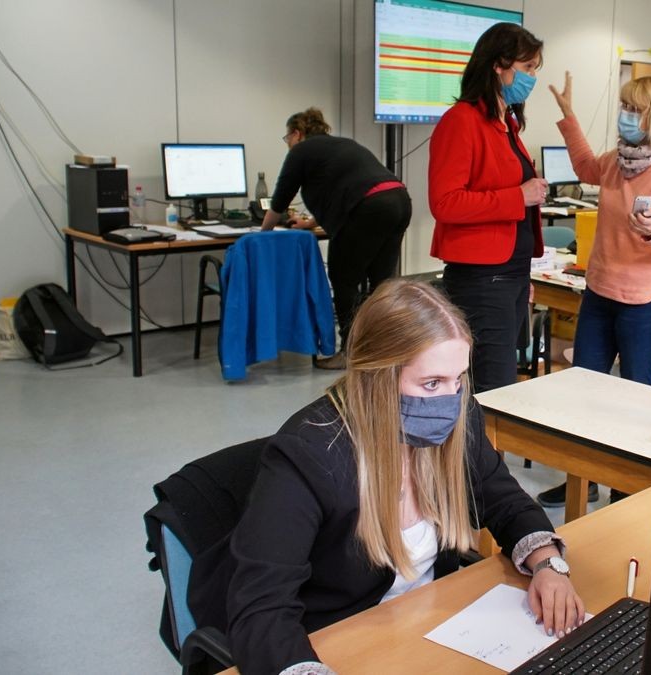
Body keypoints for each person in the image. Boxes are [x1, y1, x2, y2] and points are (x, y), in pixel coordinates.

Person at [198, 280, 583, 675]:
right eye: (431, 383)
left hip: (430, 628)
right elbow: (261, 608)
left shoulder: (459, 416)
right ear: (376, 377)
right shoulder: (308, 456)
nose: (451, 400)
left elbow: (505, 500)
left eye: (459, 379)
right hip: (339, 640)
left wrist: (548, 564)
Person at [535, 72, 651, 508]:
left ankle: (623, 489)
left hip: (647, 301)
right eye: (624, 107)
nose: (625, 116)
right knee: (583, 393)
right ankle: (582, 481)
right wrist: (569, 116)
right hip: (600, 293)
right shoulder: (618, 160)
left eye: (635, 109)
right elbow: (586, 167)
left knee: (632, 401)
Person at [428, 23, 546, 394]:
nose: (531, 79)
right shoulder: (461, 121)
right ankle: (481, 454)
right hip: (482, 279)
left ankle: (479, 452)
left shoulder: (506, 123)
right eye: (527, 69)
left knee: (496, 386)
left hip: (510, 274)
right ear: (499, 65)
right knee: (495, 391)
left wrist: (523, 276)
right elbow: (445, 203)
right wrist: (519, 196)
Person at [261, 107, 412, 370]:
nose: (288, 144)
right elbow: (345, 188)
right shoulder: (342, 145)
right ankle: (386, 349)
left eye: (287, 138)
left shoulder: (300, 151)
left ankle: (350, 353)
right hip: (398, 201)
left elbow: (280, 199)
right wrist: (309, 223)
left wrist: (262, 234)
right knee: (381, 284)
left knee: (344, 281)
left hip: (368, 208)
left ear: (296, 134)